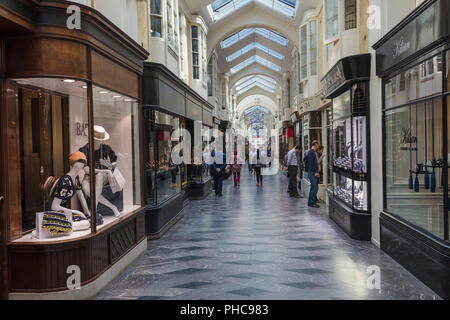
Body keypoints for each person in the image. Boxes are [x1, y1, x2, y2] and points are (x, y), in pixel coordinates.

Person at [305, 141, 321, 208]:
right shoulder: (311, 152)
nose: (318, 147)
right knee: (314, 187)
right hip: (312, 172)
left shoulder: (312, 152)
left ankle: (313, 201)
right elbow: (311, 163)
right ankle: (311, 202)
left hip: (312, 172)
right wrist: (316, 172)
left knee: (314, 187)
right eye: (318, 145)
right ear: (315, 145)